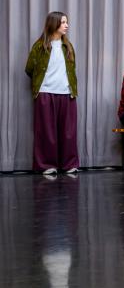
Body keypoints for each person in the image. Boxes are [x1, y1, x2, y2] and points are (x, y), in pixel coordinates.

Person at [24, 11, 79, 174]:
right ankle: (46, 165)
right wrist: (43, 82)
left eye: (66, 22)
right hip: (45, 93)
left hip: (67, 94)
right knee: (46, 132)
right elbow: (29, 69)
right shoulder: (39, 46)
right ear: (53, 24)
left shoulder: (68, 47)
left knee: (68, 132)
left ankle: (69, 164)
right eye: (63, 22)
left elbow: (72, 69)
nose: (66, 25)